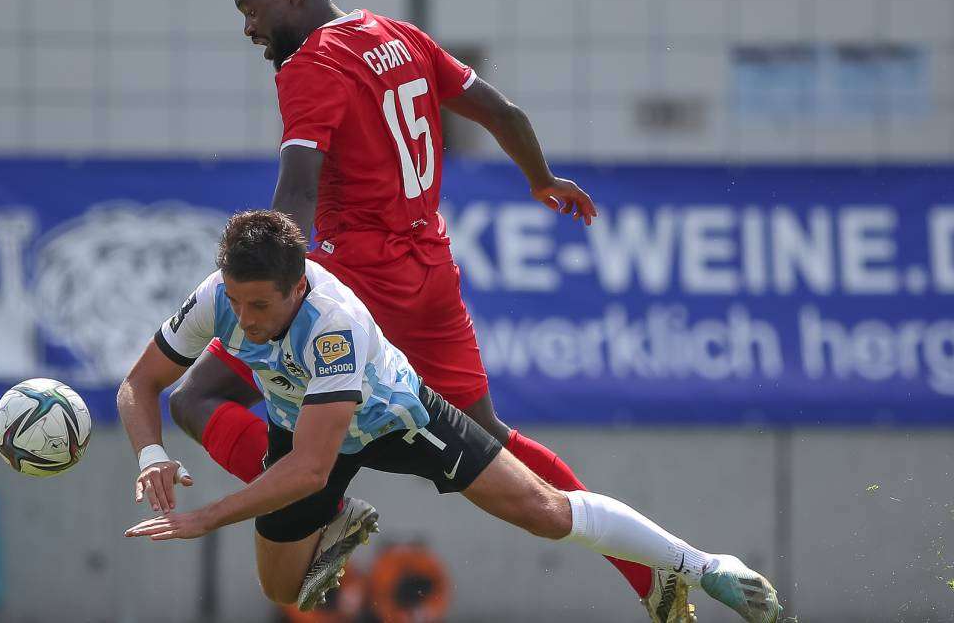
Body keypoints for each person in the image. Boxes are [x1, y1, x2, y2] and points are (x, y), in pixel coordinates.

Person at [159, 0, 692, 620]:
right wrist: (542, 180)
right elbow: (504, 113)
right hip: (430, 271)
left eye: (252, 6)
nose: (248, 25)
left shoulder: (310, 67)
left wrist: (268, 273)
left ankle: (320, 504)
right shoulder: (399, 35)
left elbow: (296, 187)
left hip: (355, 279)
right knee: (491, 443)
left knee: (192, 396)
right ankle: (648, 571)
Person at [118, 210, 784, 623]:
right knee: (285, 590)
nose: (245, 320)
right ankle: (339, 518)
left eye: (260, 307)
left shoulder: (332, 326)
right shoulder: (222, 297)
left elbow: (308, 468)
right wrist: (151, 453)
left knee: (546, 513)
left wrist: (206, 516)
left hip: (400, 421)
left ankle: (701, 565)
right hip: (306, 430)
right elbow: (139, 385)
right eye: (237, 302)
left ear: (298, 286)